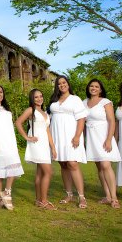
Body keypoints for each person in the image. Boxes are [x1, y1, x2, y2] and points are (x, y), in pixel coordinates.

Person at [49, 75, 88, 208]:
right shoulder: (54, 100)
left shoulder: (75, 99)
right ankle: (69, 194)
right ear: (57, 86)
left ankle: (81, 197)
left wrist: (77, 136)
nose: (62, 85)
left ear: (68, 84)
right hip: (56, 136)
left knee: (72, 163)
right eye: (59, 84)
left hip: (71, 135)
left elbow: (81, 118)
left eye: (64, 82)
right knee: (63, 164)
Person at [15, 88, 57, 210]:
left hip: (44, 145)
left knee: (40, 173)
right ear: (32, 99)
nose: (39, 99)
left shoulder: (45, 113)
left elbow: (47, 131)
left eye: (41, 96)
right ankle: (44, 201)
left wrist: (53, 147)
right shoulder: (30, 110)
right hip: (36, 143)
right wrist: (26, 137)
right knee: (48, 172)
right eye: (36, 97)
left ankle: (39, 200)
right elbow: (18, 122)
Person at [84, 79, 121, 209]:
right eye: (91, 86)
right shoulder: (83, 102)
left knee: (106, 165)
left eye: (96, 86)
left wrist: (109, 139)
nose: (93, 88)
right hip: (91, 137)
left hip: (103, 136)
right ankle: (107, 196)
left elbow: (112, 121)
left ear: (100, 89)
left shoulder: (105, 102)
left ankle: (114, 198)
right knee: (99, 167)